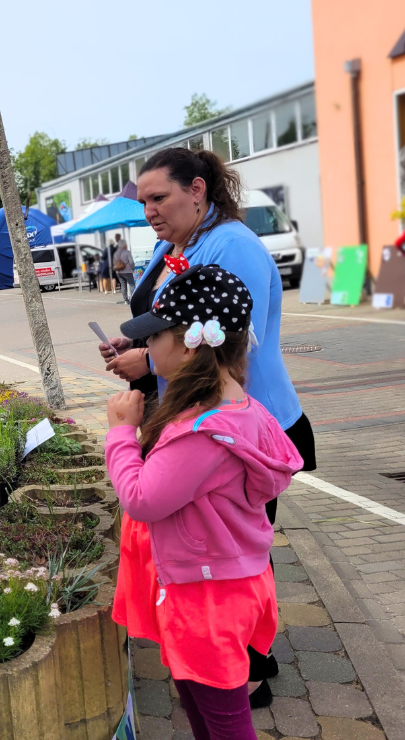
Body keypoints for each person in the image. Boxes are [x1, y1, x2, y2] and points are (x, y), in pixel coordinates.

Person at [99, 147, 316, 704]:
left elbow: (227, 336)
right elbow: (175, 317)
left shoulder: (232, 245)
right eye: (143, 200)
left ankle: (244, 671)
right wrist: (137, 341)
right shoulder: (183, 243)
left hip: (240, 424)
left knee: (235, 551)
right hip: (202, 417)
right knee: (222, 545)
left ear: (197, 190)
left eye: (159, 197)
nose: (149, 209)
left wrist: (146, 363)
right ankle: (229, 659)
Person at [106, 264, 303, 740]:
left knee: (224, 721)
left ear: (191, 342)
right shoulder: (244, 409)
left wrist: (119, 434)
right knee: (200, 703)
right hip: (233, 582)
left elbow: (141, 498)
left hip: (206, 598)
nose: (146, 348)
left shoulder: (201, 432)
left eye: (155, 337)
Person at [114, 239, 135, 304]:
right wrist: (133, 267)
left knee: (123, 285)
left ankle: (126, 300)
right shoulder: (127, 252)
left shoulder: (116, 253)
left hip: (119, 271)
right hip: (127, 271)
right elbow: (131, 262)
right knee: (132, 284)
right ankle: (133, 299)